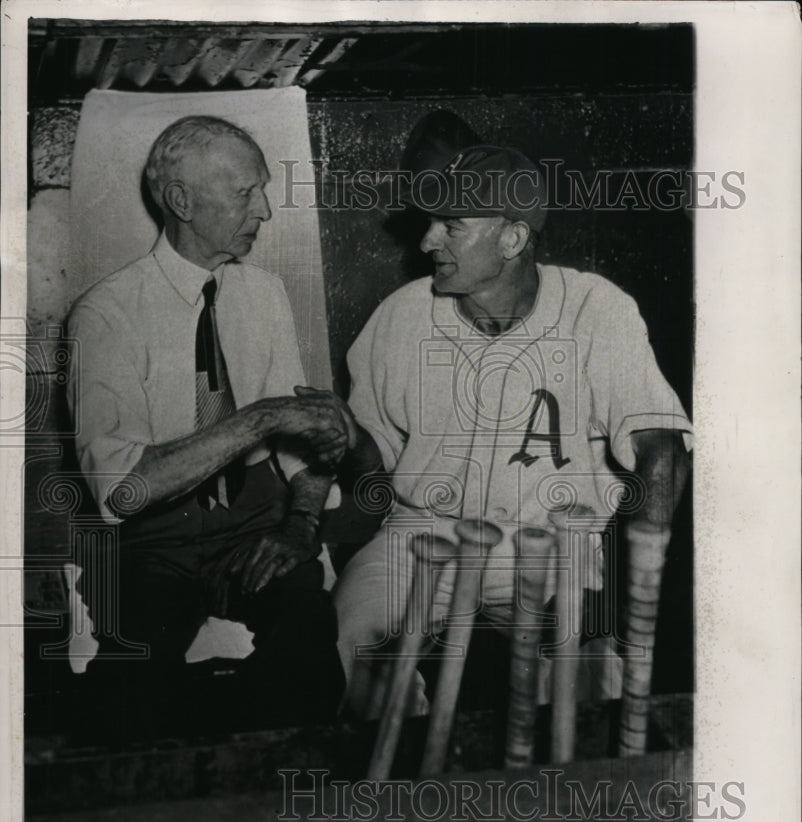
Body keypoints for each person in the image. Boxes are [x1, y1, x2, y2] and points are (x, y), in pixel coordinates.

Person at [305, 114, 693, 718]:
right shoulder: (402, 315)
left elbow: (663, 452)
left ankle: (574, 802)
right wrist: (346, 438)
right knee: (349, 630)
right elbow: (372, 467)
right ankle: (392, 801)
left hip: (556, 539)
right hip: (421, 537)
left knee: (589, 685)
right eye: (431, 222)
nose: (427, 240)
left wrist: (622, 591)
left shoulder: (596, 309)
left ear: (511, 240)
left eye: (451, 225)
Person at [66, 115, 350, 742]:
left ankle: (282, 806)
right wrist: (261, 417)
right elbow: (121, 490)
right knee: (132, 696)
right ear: (181, 200)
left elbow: (305, 449)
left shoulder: (265, 295)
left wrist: (301, 525)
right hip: (153, 538)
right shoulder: (106, 314)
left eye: (264, 190)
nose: (267, 210)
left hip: (256, 520)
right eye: (246, 192)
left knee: (308, 650)